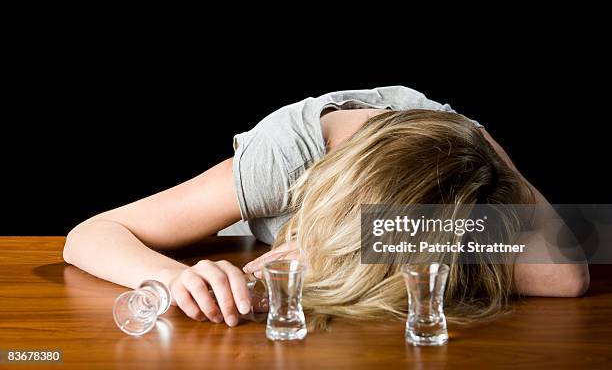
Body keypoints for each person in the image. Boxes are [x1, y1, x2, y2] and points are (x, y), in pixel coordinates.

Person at [62, 86, 589, 328]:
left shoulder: (470, 153)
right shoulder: (286, 155)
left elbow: (564, 275)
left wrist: (347, 249)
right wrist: (173, 278)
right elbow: (91, 233)